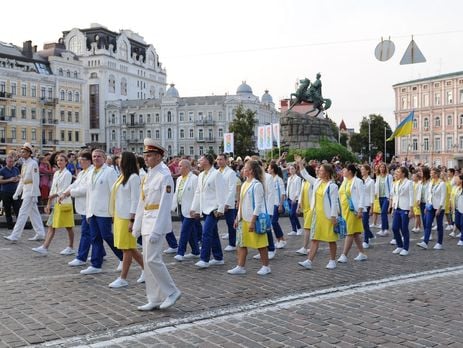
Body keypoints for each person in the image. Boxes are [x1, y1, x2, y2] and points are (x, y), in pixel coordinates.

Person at [132, 138, 181, 310]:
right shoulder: (149, 175)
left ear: (159, 157)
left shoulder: (164, 176)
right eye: (145, 155)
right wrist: (136, 227)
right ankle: (154, 298)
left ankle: (172, 291)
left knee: (153, 260)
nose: (146, 158)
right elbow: (142, 203)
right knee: (147, 261)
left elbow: (164, 206)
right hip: (146, 221)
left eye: (150, 155)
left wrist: (157, 230)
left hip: (156, 224)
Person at [80, 149, 123, 275]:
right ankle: (96, 264)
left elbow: (114, 193)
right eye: (94, 156)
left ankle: (123, 257)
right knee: (95, 238)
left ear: (104, 158)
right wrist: (88, 211)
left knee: (107, 236)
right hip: (92, 211)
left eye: (99, 156)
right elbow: (89, 193)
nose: (96, 158)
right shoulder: (90, 171)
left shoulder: (109, 172)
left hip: (105, 211)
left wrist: (115, 211)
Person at [228, 159, 271, 275]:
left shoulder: (256, 185)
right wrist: (237, 218)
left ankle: (266, 266)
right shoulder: (245, 183)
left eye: (245, 168)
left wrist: (252, 221)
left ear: (250, 171)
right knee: (241, 243)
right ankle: (240, 266)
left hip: (253, 220)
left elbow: (258, 205)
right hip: (243, 219)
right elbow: (241, 203)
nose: (242, 170)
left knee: (260, 244)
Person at [108, 151, 144, 288]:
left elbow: (136, 200)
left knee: (126, 248)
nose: (118, 160)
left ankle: (123, 277)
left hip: (127, 217)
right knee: (130, 248)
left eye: (121, 158)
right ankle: (146, 270)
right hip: (119, 215)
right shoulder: (123, 176)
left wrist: (132, 220)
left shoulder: (134, 177)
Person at [298, 163, 339, 270]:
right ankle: (309, 261)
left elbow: (334, 203)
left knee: (331, 240)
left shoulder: (332, 186)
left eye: (320, 170)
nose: (318, 171)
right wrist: (300, 163)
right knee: (315, 239)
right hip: (317, 215)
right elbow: (305, 175)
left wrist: (334, 216)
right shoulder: (317, 182)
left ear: (326, 173)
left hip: (328, 216)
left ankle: (332, 260)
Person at [32, 153, 75, 256]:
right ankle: (45, 247)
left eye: (61, 160)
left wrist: (53, 196)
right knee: (51, 225)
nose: (59, 162)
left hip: (64, 203)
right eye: (58, 160)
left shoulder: (67, 174)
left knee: (68, 226)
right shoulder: (56, 173)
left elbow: (64, 189)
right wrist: (48, 204)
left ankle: (71, 247)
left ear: (66, 162)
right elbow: (52, 189)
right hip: (56, 203)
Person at [60, 150, 95, 267]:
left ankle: (81, 257)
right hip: (83, 206)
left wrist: (71, 192)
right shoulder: (82, 173)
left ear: (89, 161)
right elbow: (74, 184)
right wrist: (65, 192)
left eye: (82, 160)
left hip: (88, 206)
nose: (80, 162)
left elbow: (85, 189)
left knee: (86, 232)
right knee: (95, 233)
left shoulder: (91, 172)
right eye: (79, 160)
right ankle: (99, 253)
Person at [4, 143, 45, 242]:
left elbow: (36, 180)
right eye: (22, 152)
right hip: (26, 190)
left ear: (29, 153)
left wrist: (35, 194)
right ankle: (40, 233)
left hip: (31, 192)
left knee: (22, 213)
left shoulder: (33, 163)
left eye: (24, 152)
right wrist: (17, 193)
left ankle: (15, 235)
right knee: (33, 213)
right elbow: (22, 180)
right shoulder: (25, 164)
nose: (22, 153)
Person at [190, 154, 226, 269]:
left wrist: (220, 209)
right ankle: (218, 257)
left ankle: (204, 259)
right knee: (213, 233)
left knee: (206, 233)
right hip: (204, 208)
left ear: (207, 161)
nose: (198, 162)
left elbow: (221, 192)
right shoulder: (200, 175)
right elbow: (198, 193)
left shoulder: (216, 174)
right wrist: (193, 208)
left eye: (201, 160)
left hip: (213, 209)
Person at [337, 164, 367, 263]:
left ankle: (344, 255)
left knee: (349, 232)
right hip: (344, 210)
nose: (342, 172)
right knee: (355, 234)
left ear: (350, 171)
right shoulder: (344, 181)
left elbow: (362, 196)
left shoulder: (358, 181)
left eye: (344, 170)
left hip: (353, 211)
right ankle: (362, 253)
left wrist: (360, 210)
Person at [172, 159, 201, 261]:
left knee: (184, 231)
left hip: (190, 210)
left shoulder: (194, 179)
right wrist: (173, 206)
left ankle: (181, 252)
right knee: (191, 231)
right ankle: (196, 251)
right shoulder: (179, 179)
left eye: (180, 166)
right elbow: (177, 194)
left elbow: (197, 194)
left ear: (187, 167)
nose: (178, 168)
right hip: (181, 208)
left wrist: (195, 209)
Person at [417, 167, 446, 250]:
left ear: (436, 174)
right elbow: (429, 195)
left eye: (432, 173)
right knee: (428, 224)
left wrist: (439, 208)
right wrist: (426, 206)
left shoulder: (442, 184)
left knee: (439, 225)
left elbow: (443, 197)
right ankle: (425, 242)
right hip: (430, 206)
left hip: (439, 207)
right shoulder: (431, 183)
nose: (430, 174)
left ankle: (439, 243)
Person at [216, 153, 239, 252]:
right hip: (217, 203)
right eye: (217, 159)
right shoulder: (216, 172)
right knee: (212, 223)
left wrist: (227, 203)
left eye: (221, 159)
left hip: (227, 203)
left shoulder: (230, 173)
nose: (219, 161)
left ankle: (232, 243)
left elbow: (232, 189)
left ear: (226, 161)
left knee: (230, 223)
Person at [390, 166, 414, 256]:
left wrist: (411, 210)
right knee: (394, 227)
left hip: (405, 208)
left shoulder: (409, 183)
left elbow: (411, 197)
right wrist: (393, 208)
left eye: (398, 172)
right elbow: (394, 196)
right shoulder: (396, 183)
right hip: (397, 207)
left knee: (404, 228)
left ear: (403, 173)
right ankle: (399, 245)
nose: (397, 173)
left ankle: (405, 248)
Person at [296, 164, 315, 255]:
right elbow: (301, 194)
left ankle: (305, 247)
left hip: (311, 208)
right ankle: (310, 247)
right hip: (305, 208)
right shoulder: (304, 181)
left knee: (307, 228)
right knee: (310, 228)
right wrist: (299, 205)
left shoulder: (312, 182)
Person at [268, 162, 286, 250]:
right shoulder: (270, 178)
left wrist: (281, 205)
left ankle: (282, 240)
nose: (267, 169)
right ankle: (279, 240)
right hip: (271, 204)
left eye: (269, 167)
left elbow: (283, 193)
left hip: (277, 203)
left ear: (272, 169)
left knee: (274, 222)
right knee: (274, 222)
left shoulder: (279, 179)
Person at [0, 155, 21, 229]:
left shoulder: (16, 169)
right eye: (9, 161)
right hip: (5, 192)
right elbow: (0, 181)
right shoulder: (2, 170)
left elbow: (19, 177)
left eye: (12, 161)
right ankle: (10, 225)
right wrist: (10, 180)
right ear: (6, 162)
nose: (11, 163)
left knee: (17, 209)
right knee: (7, 209)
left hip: (15, 191)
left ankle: (19, 225)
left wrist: (17, 179)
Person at [375, 163, 393, 237]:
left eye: (383, 167)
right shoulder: (378, 177)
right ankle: (385, 229)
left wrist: (390, 197)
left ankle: (384, 229)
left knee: (383, 212)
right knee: (383, 213)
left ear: (385, 168)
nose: (382, 169)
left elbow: (391, 187)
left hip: (386, 197)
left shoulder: (389, 176)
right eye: (380, 167)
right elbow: (376, 186)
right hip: (380, 197)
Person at [360, 164, 375, 249]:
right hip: (361, 204)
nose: (361, 171)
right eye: (361, 169)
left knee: (364, 222)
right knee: (363, 223)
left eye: (363, 169)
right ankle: (370, 235)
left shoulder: (371, 181)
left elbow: (372, 194)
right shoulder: (360, 180)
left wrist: (372, 207)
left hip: (367, 204)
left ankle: (366, 240)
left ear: (367, 171)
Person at [286, 165, 303, 236]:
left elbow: (298, 189)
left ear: (295, 170)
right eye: (290, 169)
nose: (291, 170)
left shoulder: (298, 178)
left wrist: (295, 198)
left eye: (293, 169)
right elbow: (288, 187)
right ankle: (294, 229)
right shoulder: (289, 178)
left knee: (293, 214)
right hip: (289, 198)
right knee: (290, 214)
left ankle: (299, 228)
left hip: (294, 199)